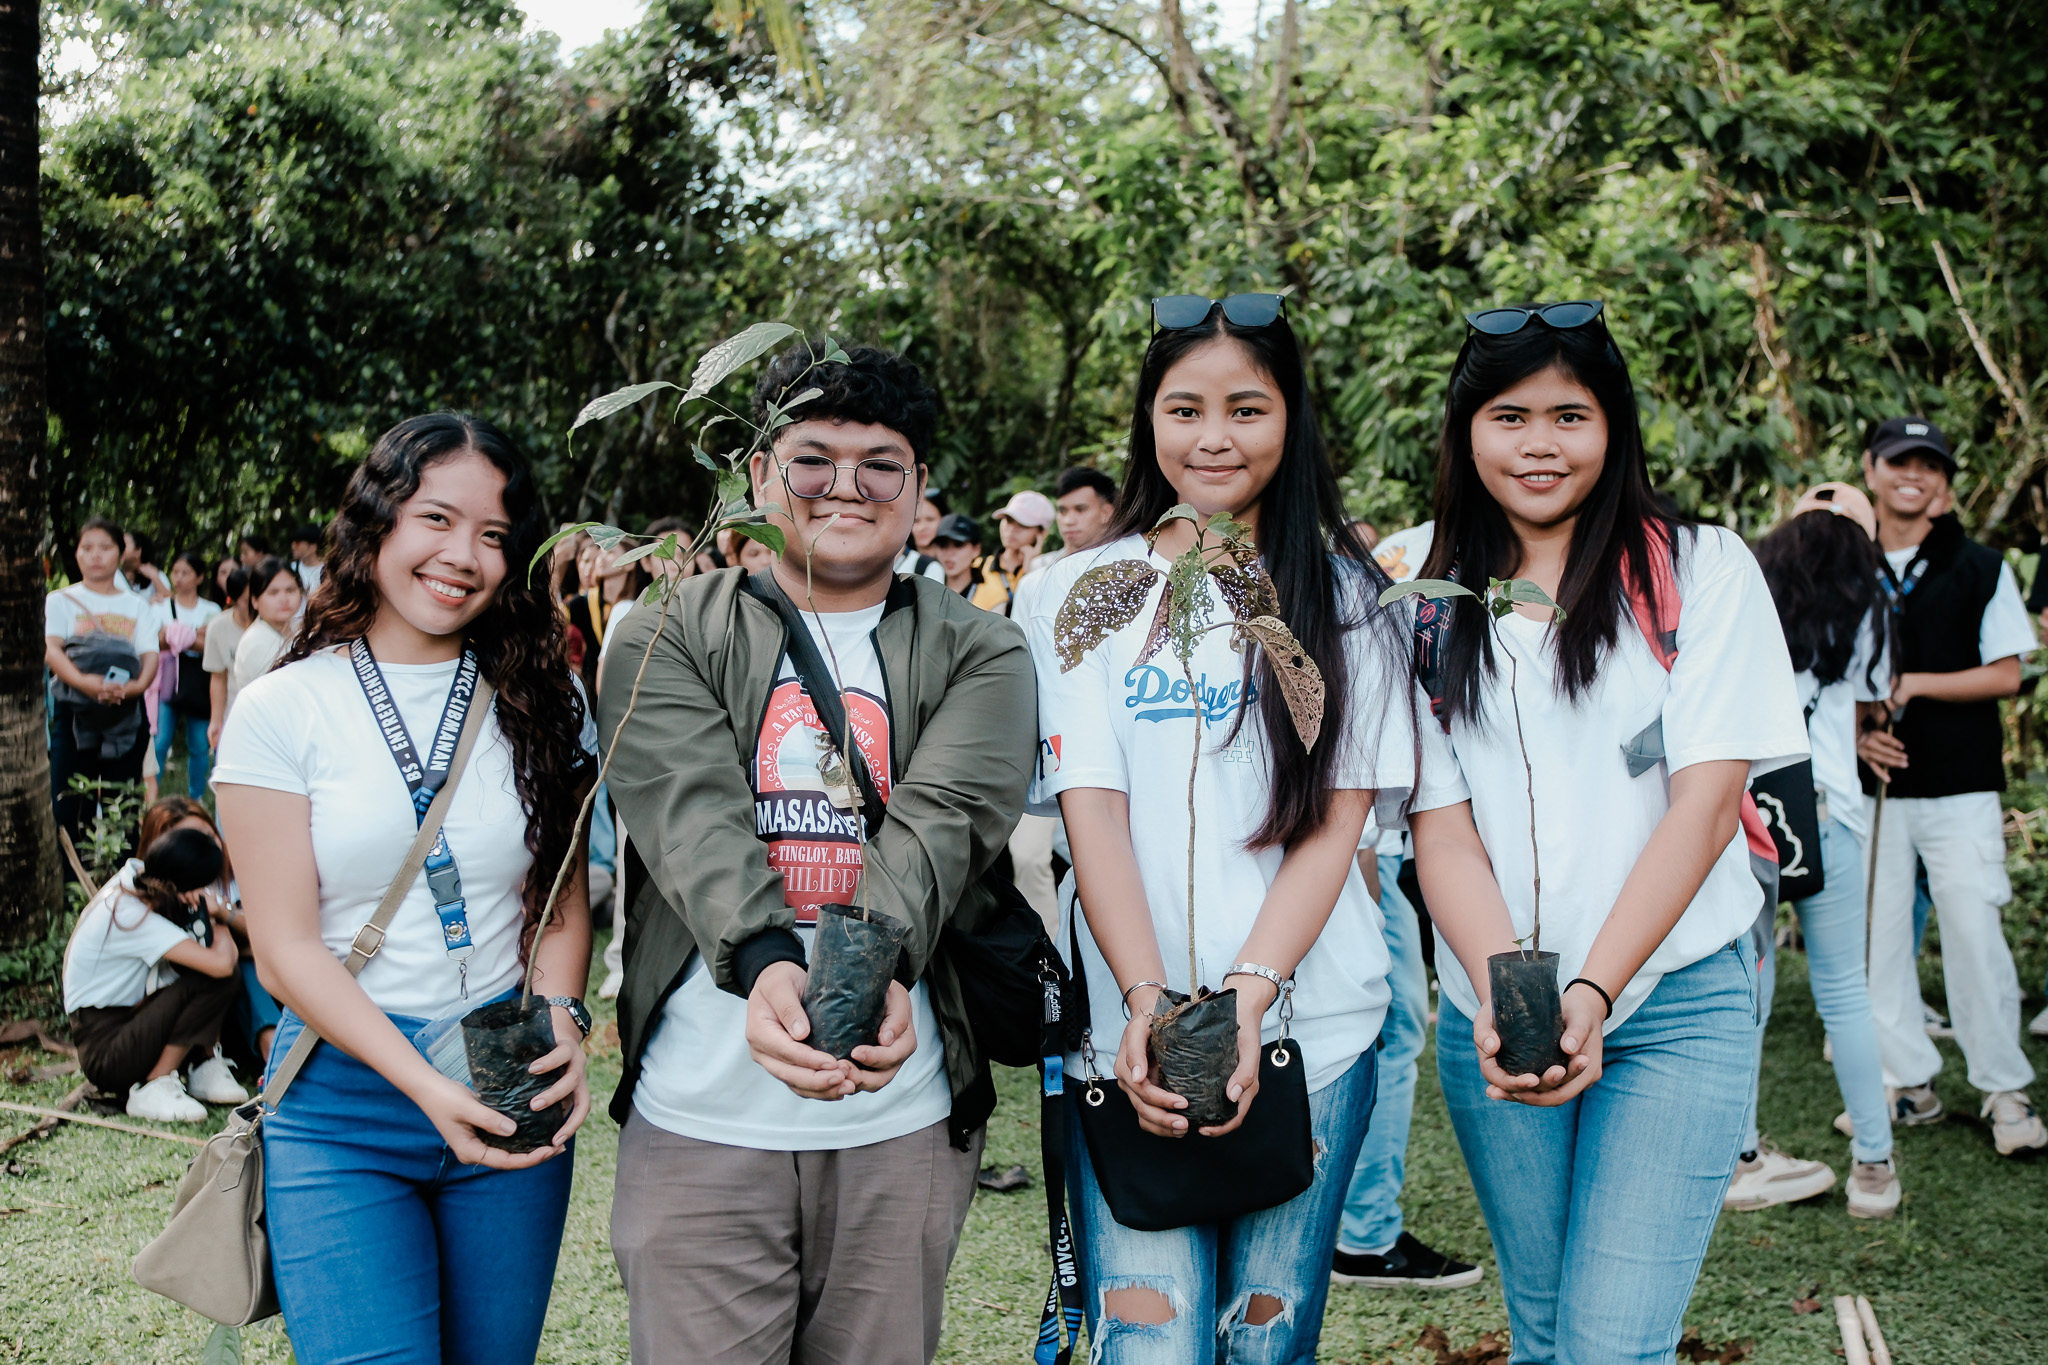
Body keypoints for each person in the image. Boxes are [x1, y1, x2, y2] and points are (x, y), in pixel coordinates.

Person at [600, 341, 1032, 1365]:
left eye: (881, 462)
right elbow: (688, 822)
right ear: (757, 476)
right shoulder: (663, 630)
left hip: (900, 1114)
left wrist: (867, 962)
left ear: (918, 488)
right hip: (698, 1114)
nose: (846, 486)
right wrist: (764, 969)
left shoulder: (980, 648)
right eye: (812, 457)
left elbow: (942, 822)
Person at [1406, 300, 1805, 1362]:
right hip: (1492, 1013)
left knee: (1610, 1344)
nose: (1538, 445)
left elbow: (1706, 803)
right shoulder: (1411, 585)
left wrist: (1589, 995)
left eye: (1568, 416)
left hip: (1677, 1000)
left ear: (1612, 426)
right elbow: (1439, 830)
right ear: (1464, 430)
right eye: (1508, 416)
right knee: (1541, 1334)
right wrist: (1513, 1003)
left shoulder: (1700, 568)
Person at [1026, 292, 1414, 1361]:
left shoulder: (1347, 603)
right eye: (1182, 407)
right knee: (1149, 1342)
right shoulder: (1075, 591)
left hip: (1313, 1034)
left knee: (1265, 1343)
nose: (1211, 438)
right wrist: (1147, 1002)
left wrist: (1246, 999)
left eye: (1245, 409)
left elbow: (1335, 829)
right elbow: (1089, 808)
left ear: (1291, 421)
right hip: (1127, 1038)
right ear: (1145, 420)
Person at [213, 412, 596, 1365]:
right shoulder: (281, 710)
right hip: (342, 1104)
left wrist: (562, 1016)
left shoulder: (546, 700)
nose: (462, 554)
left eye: (495, 534)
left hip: (509, 1076)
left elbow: (559, 895)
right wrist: (427, 1086)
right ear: (377, 521)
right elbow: (287, 947)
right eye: (436, 518)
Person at [1854, 416, 2045, 1156]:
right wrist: (1857, 731)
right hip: (1875, 788)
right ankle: (1908, 1082)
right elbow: (1823, 675)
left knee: (1973, 930)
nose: (1915, 474)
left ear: (1944, 482)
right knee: (1881, 942)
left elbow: (2008, 671)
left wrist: (1915, 684)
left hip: (1961, 786)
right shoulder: (1845, 561)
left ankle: (2005, 1090)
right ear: (1871, 469)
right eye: (1900, 460)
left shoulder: (1981, 564)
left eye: (1930, 464)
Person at [1727, 484, 1900, 1217]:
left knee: (1747, 985)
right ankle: (1874, 1170)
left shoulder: (1749, 591)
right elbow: (1874, 698)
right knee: (1843, 990)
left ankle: (1739, 1156)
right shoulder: (1872, 607)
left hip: (1750, 809)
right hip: (1830, 804)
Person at [1006, 466, 1123, 933]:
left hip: (1112, 744)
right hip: (1046, 739)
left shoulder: (1134, 572)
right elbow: (1019, 657)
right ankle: (1050, 967)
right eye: (1063, 511)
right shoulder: (1038, 579)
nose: (1069, 520)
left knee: (1104, 857)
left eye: (1080, 509)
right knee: (1029, 855)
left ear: (1108, 510)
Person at [63, 827, 247, 1121]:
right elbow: (222, 964)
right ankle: (154, 1084)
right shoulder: (129, 913)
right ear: (185, 884)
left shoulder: (137, 882)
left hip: (125, 1025)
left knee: (199, 974)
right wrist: (215, 913)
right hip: (107, 1050)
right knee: (218, 978)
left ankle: (202, 1065)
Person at [46, 517, 161, 853]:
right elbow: (52, 650)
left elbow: (149, 655)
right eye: (87, 547)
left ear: (120, 553)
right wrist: (85, 684)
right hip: (74, 714)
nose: (96, 555)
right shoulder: (60, 600)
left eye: (105, 547)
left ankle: (122, 884)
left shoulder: (137, 605)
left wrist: (135, 688)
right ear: (77, 554)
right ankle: (75, 887)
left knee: (122, 804)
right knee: (71, 807)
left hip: (126, 714)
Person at [139, 796, 281, 1068]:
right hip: (205, 1015)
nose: (204, 846)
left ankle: (273, 1046)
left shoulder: (241, 868)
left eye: (207, 834)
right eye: (189, 840)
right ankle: (270, 1048)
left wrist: (223, 912)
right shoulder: (161, 895)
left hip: (267, 995)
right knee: (238, 961)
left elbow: (275, 934)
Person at [152, 551, 222, 799]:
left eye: (186, 572)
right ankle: (151, 797)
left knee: (200, 746)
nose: (179, 578)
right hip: (167, 683)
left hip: (200, 685)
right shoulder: (160, 605)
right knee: (159, 743)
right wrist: (194, 634)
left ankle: (197, 797)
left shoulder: (211, 608)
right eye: (176, 572)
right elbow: (156, 640)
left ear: (199, 577)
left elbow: (212, 644)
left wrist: (177, 634)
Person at [227, 558, 304, 715]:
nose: (284, 599)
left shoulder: (300, 631)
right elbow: (285, 695)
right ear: (255, 601)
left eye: (290, 590)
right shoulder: (255, 641)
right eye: (273, 592)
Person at [967, 490, 1054, 614]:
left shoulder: (1047, 574)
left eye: (1023, 525)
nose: (1012, 529)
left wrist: (1029, 566)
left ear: (1042, 533)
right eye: (1008, 520)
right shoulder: (977, 566)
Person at [204, 565, 253, 756]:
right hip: (234, 714)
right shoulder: (218, 627)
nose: (254, 606)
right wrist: (216, 721)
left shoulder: (282, 628)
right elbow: (218, 677)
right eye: (247, 600)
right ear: (232, 599)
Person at [930, 512, 985, 597]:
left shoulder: (991, 595)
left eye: (958, 544)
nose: (949, 553)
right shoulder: (926, 589)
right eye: (943, 545)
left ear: (976, 550)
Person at [289, 520, 327, 596]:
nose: (293, 547)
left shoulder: (327, 571)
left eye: (297, 543)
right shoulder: (290, 569)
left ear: (313, 547)